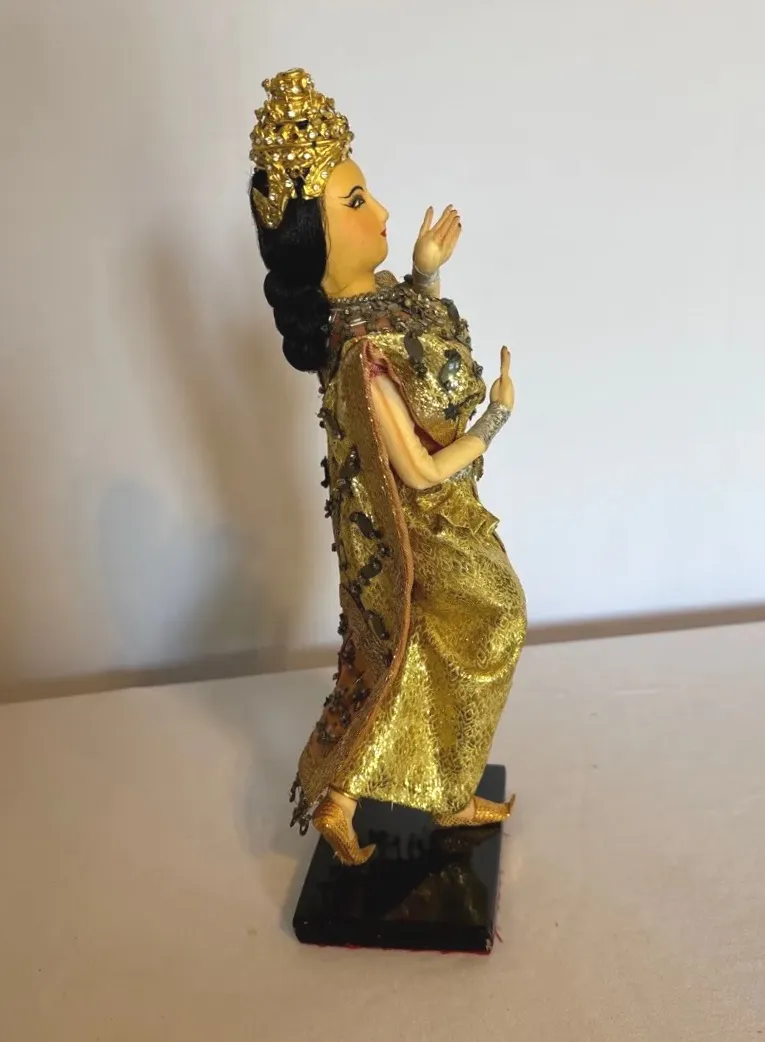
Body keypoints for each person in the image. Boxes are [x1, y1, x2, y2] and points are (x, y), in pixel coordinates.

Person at [249, 69, 527, 865]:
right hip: (425, 527)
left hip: (450, 511)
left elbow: (422, 334)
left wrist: (426, 268)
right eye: (354, 202)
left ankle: (397, 793)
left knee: (429, 649)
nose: (380, 212)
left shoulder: (376, 306)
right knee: (491, 621)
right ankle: (413, 789)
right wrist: (496, 417)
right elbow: (420, 473)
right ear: (317, 237)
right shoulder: (358, 352)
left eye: (366, 193)